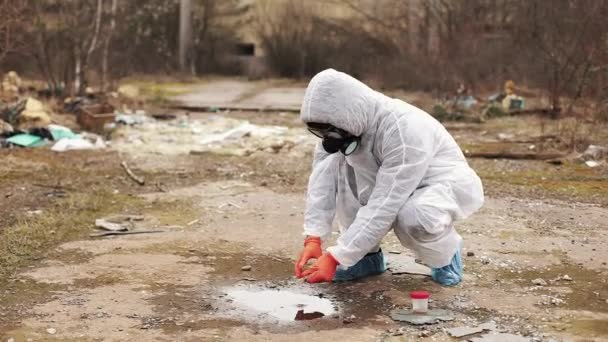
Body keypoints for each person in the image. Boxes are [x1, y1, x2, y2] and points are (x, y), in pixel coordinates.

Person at [294, 69, 484, 286]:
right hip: (387, 180)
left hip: (436, 184)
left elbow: (385, 202)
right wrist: (313, 237)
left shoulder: (404, 129)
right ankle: (366, 260)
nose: (327, 139)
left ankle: (444, 258)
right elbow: (322, 183)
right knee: (344, 178)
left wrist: (337, 256)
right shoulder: (340, 126)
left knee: (415, 216)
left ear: (347, 113)